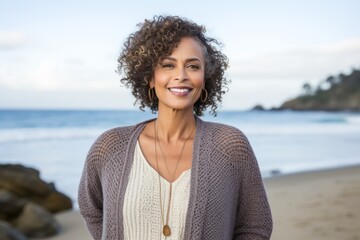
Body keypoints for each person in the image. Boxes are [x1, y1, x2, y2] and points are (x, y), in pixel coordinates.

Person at [78, 15, 272, 240]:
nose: (181, 76)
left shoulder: (229, 146)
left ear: (205, 78)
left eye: (192, 66)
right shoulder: (110, 146)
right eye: (168, 65)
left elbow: (255, 227)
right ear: (149, 77)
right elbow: (91, 210)